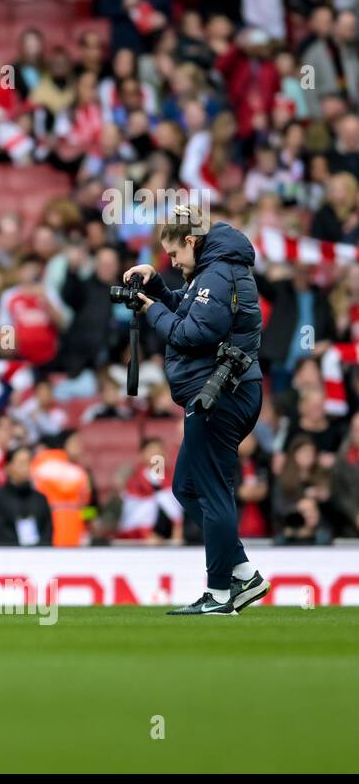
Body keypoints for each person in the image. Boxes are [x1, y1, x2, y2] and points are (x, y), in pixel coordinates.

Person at [125, 211, 268, 615]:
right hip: (219, 392)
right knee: (188, 486)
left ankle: (220, 594)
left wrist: (152, 311)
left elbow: (191, 333)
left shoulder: (217, 273)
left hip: (220, 393)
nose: (172, 261)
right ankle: (243, 572)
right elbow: (189, 314)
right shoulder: (214, 271)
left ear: (191, 240)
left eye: (173, 252)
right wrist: (155, 286)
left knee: (212, 490)